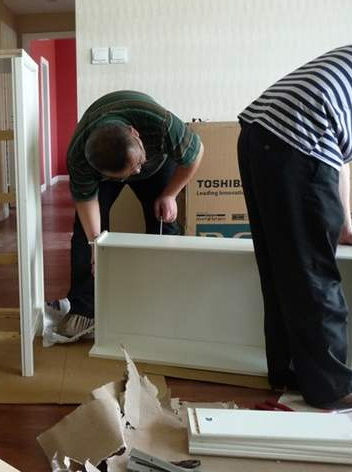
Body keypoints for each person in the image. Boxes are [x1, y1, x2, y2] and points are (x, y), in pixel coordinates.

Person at [237, 44, 352, 409]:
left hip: (261, 133)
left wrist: (345, 222)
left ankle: (289, 371)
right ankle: (332, 388)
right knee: (313, 272)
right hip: (297, 139)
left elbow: (339, 155)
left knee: (282, 266)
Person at [47, 90, 203, 339]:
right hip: (109, 172)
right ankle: (84, 310)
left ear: (135, 133)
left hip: (158, 165)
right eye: (127, 174)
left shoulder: (161, 124)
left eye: (136, 166)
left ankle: (166, 301)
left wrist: (170, 195)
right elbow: (86, 200)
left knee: (165, 223)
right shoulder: (79, 157)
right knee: (86, 238)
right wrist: (96, 244)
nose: (135, 173)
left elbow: (195, 154)